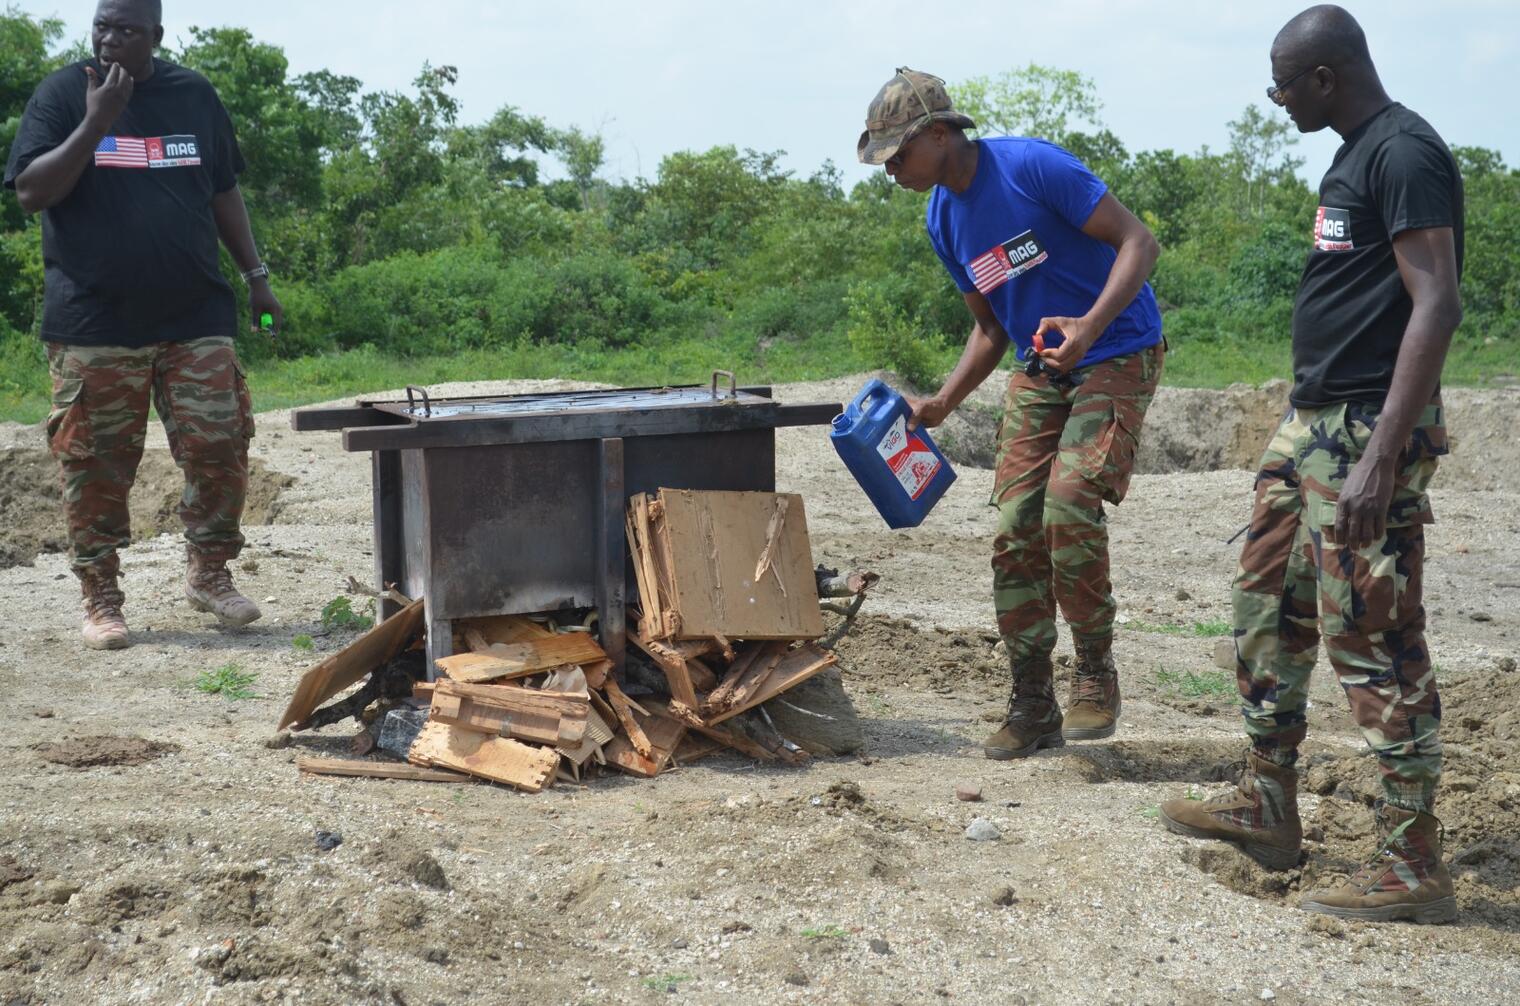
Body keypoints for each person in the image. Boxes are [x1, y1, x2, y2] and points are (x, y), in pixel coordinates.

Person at [1159, 5, 1464, 924]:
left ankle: (1413, 863)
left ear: (1324, 77)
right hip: (1313, 426)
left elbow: (1437, 303)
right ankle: (1267, 803)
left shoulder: (1403, 152)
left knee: (1370, 630)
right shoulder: (1351, 152)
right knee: (1266, 602)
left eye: (1282, 83)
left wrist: (1378, 458)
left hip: (1367, 428)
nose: (1276, 97)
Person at [857, 68, 1164, 759]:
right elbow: (992, 329)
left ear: (939, 135)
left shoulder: (1032, 168)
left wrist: (1087, 325)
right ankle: (1032, 704)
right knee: (1017, 523)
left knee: (1068, 502)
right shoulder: (944, 217)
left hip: (1116, 348)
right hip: (1040, 366)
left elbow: (1139, 243)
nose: (893, 171)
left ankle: (1095, 672)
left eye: (898, 155)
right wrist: (941, 401)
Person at [4, 0, 282, 650]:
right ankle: (101, 596)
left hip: (196, 314)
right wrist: (95, 121)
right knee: (97, 467)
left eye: (124, 28)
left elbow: (222, 190)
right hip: (95, 323)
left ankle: (209, 572)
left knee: (220, 444)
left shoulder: (193, 95)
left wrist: (256, 277)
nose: (108, 38)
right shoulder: (62, 94)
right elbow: (31, 192)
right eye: (101, 25)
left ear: (154, 36)